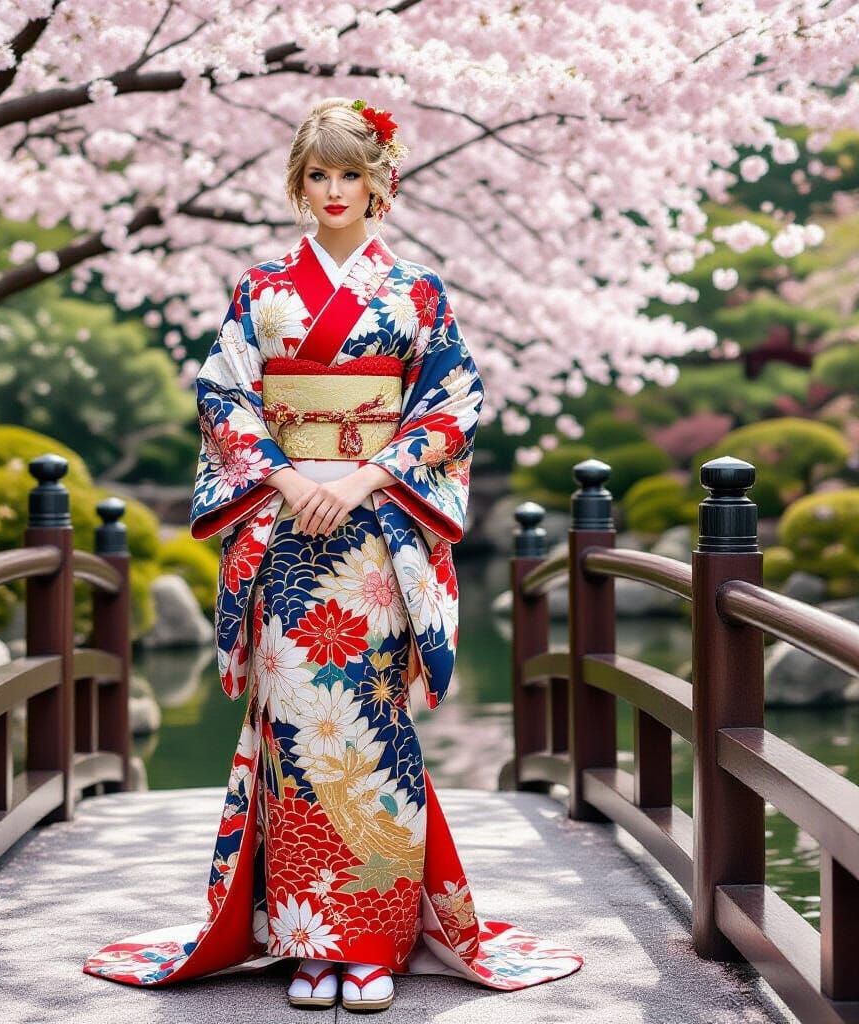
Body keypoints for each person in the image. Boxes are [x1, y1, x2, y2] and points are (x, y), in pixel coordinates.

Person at [82, 96, 583, 1012]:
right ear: (299, 184)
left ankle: (373, 943)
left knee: (371, 724)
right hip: (284, 533)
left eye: (352, 173)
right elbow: (222, 395)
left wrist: (363, 478)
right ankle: (304, 936)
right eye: (319, 174)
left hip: (376, 536)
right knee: (294, 727)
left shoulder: (418, 290)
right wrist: (281, 475)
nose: (335, 190)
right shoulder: (261, 287)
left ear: (379, 181)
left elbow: (454, 402)